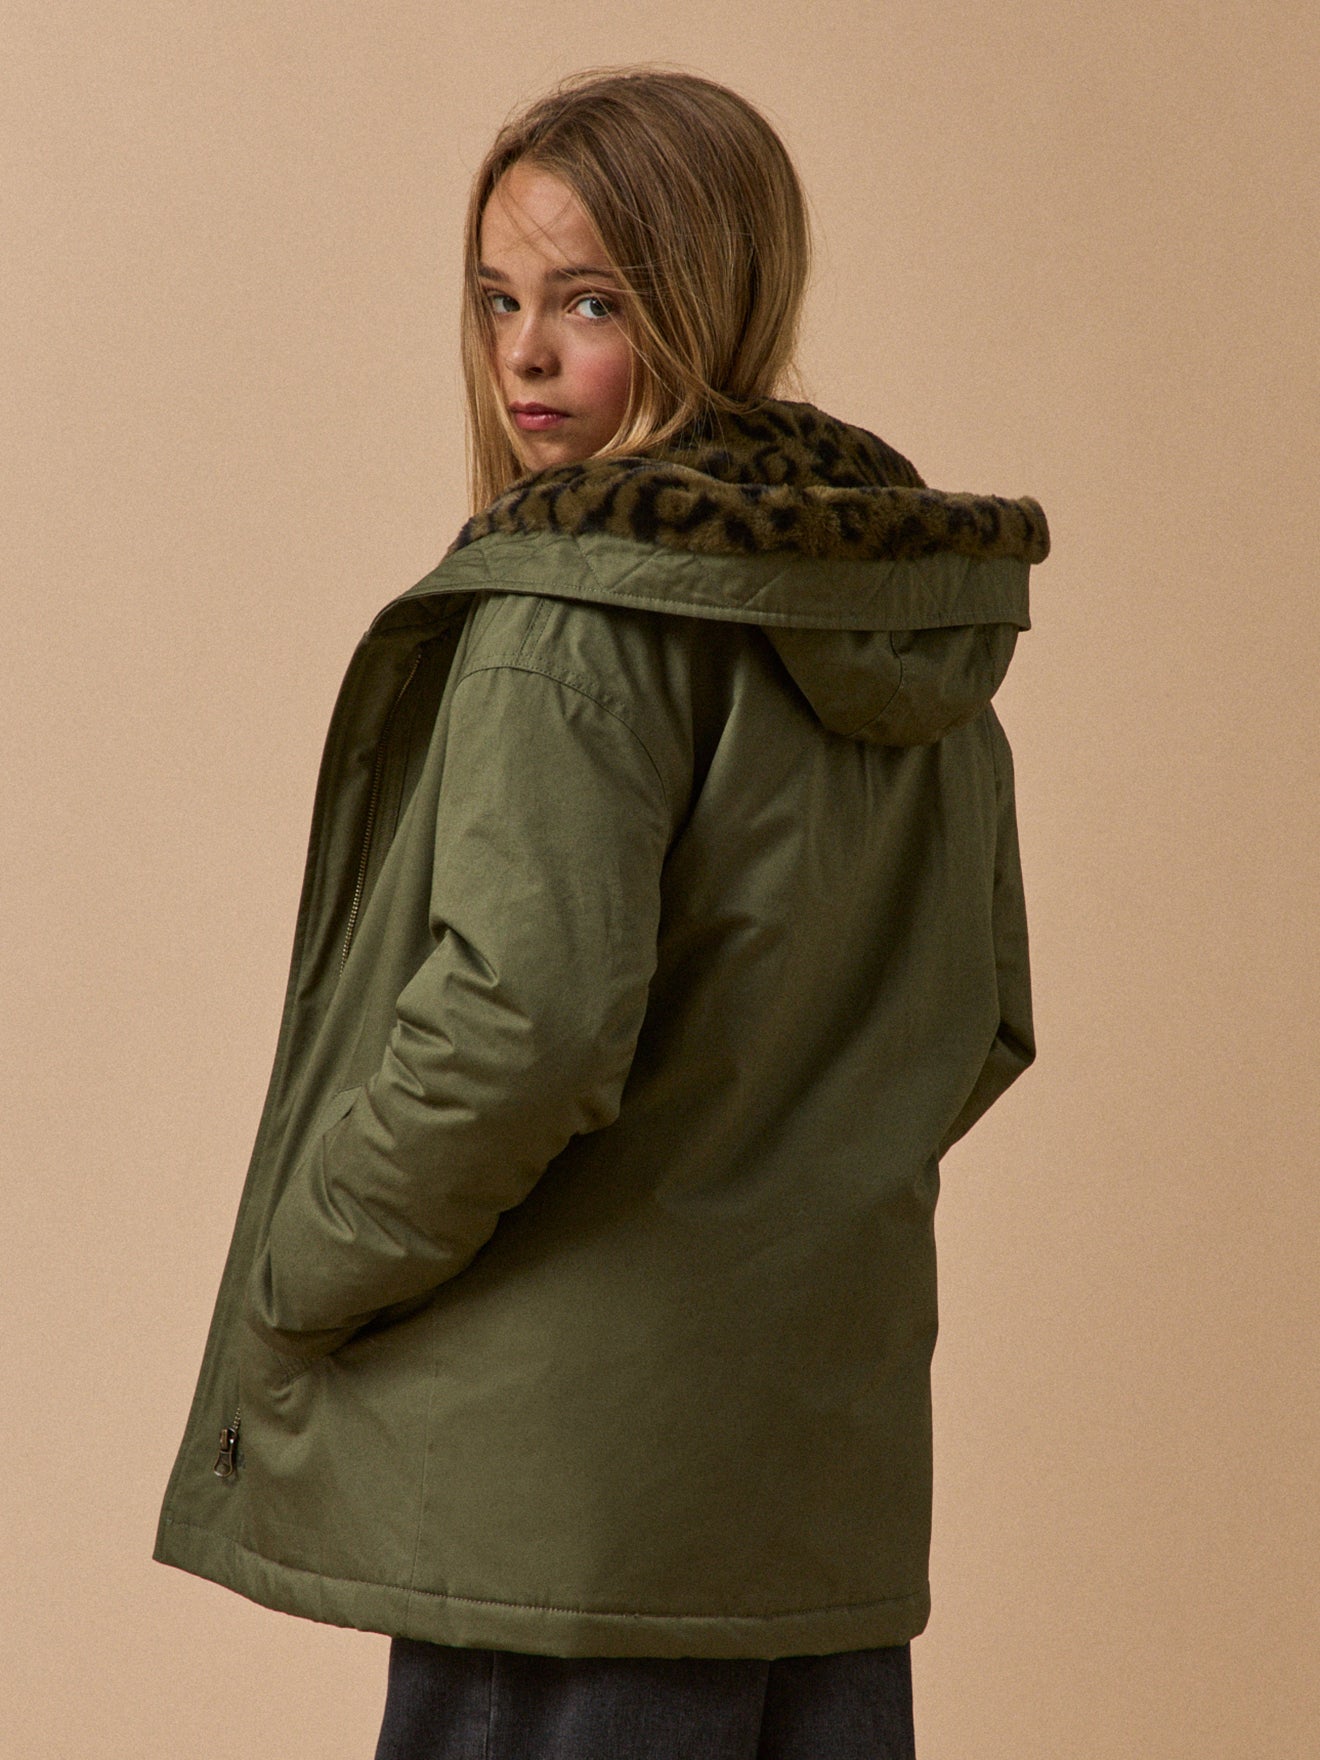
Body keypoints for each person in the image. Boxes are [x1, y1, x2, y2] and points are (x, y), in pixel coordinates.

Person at [154, 65, 1049, 1760]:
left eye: (591, 302)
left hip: (560, 1522)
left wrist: (306, 1258)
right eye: (497, 299)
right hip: (815, 1489)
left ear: (713, 303)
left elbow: (524, 1025)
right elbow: (979, 1016)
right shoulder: (904, 615)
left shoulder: (572, 618)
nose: (525, 355)